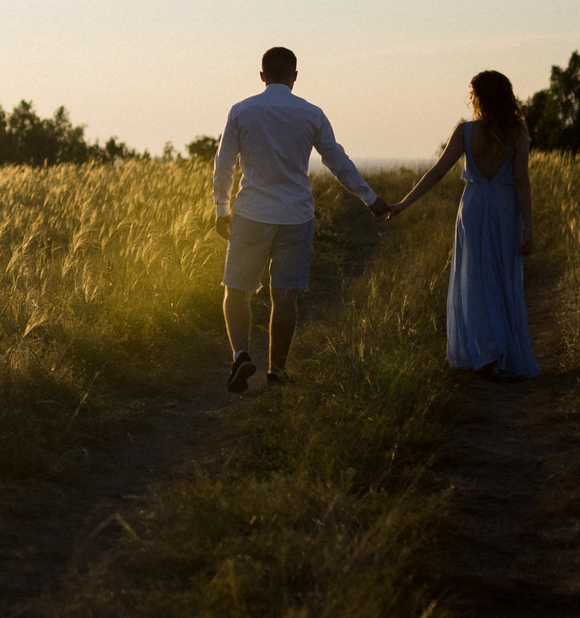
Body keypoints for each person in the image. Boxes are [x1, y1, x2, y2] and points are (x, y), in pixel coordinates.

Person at [212, 46, 392, 391]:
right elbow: (337, 161)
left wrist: (222, 210)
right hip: (296, 215)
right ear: (295, 76)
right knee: (285, 296)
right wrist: (370, 198)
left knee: (236, 290)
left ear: (262, 75)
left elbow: (224, 164)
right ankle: (277, 370)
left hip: (251, 213)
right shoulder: (311, 113)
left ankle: (240, 355)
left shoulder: (241, 111)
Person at [390, 70, 541, 379]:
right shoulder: (518, 131)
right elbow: (522, 182)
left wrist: (404, 203)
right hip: (503, 208)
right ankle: (498, 350)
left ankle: (484, 352)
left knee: (474, 278)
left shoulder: (465, 131)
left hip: (473, 207)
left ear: (479, 97)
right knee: (501, 277)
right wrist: (528, 228)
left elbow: (436, 172)